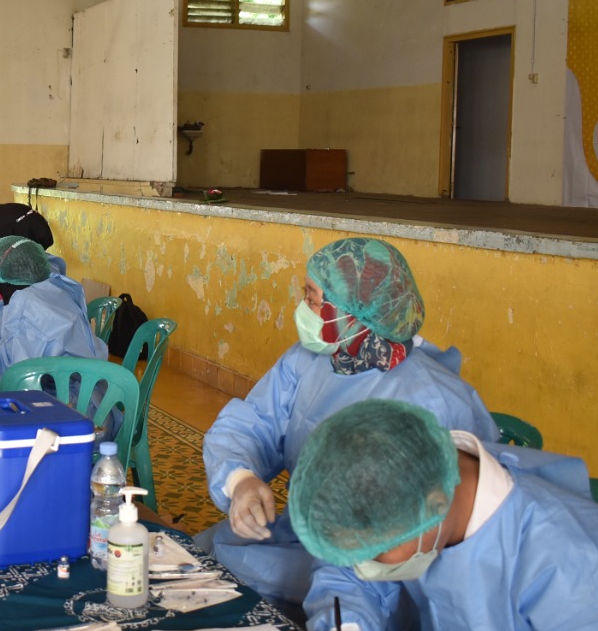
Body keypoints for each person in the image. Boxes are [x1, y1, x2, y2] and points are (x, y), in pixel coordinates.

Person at [290, 399, 598, 631]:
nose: (362, 565)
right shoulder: (414, 491)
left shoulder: (571, 567)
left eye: (373, 553)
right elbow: (350, 568)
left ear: (433, 506)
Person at [197, 237, 499, 608]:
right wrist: (240, 480)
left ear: (354, 313)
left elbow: (426, 544)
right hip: (298, 533)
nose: (303, 308)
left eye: (312, 299)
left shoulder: (431, 401)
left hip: (375, 567)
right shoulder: (314, 358)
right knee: (202, 558)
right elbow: (253, 421)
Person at [0, 235, 107, 391]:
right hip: (87, 385)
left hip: (69, 402)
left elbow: (13, 378)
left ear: (2, 277)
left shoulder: (27, 309)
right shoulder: (52, 288)